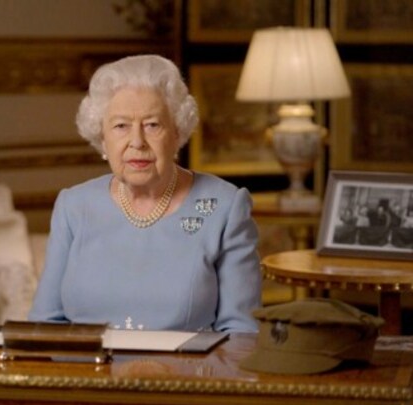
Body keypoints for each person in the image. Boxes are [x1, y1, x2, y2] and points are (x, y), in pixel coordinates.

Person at [28, 55, 261, 333]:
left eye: (152, 125)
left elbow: (242, 335)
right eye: (121, 126)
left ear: (177, 133)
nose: (137, 142)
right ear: (102, 138)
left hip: (184, 375)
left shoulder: (224, 207)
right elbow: (44, 325)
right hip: (87, 373)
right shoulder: (74, 206)